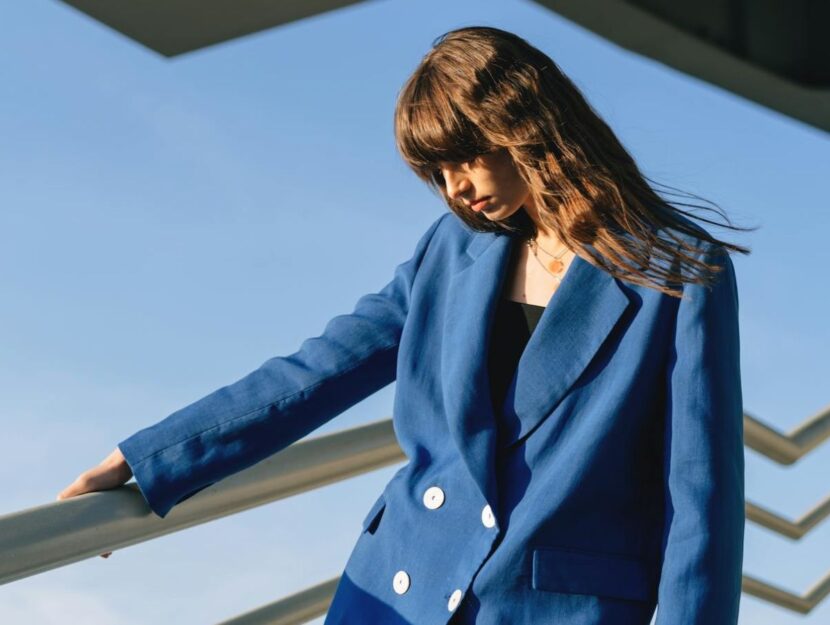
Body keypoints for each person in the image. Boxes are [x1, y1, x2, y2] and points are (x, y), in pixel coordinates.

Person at [57, 25, 756, 624]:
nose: (453, 188)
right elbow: (316, 372)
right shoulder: (449, 253)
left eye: (461, 156)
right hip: (397, 587)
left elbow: (701, 499)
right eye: (436, 171)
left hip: (554, 605)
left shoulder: (675, 271)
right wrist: (149, 461)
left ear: (520, 121)